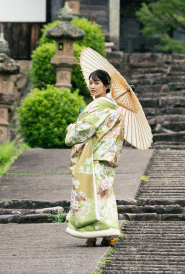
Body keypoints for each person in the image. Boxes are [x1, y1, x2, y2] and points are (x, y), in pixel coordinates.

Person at [65, 68, 125, 246]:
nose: (92, 86)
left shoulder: (98, 106)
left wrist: (72, 129)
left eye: (97, 83)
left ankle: (91, 235)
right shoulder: (114, 109)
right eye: (90, 82)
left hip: (93, 157)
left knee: (89, 193)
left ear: (106, 86)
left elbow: (84, 130)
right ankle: (108, 235)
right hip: (106, 156)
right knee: (104, 194)